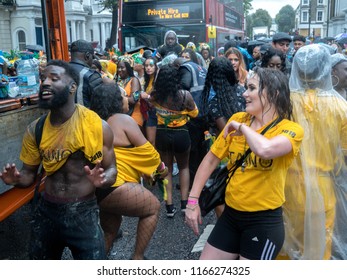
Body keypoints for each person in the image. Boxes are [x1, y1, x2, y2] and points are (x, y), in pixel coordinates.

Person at [0, 60, 117, 259]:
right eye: (43, 79)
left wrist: (104, 179)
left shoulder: (96, 126)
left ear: (72, 87)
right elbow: (29, 175)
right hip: (47, 212)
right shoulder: (35, 129)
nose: (45, 83)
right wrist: (16, 180)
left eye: (54, 79)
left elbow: (112, 169)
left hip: (84, 213)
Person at [185, 67, 304, 260]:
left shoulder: (291, 129)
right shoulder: (237, 119)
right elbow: (211, 159)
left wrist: (242, 129)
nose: (244, 94)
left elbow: (265, 149)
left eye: (251, 88)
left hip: (263, 223)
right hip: (231, 217)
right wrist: (192, 202)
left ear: (272, 94)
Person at [279, 44, 347, 260]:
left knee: (284, 245)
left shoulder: (283, 102)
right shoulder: (340, 107)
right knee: (319, 249)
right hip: (323, 190)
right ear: (327, 70)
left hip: (285, 188)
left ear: (296, 70)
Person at [90, 83, 167, 260]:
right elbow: (149, 153)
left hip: (98, 187)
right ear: (115, 101)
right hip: (116, 184)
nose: (128, 99)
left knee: (109, 231)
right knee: (153, 207)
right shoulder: (122, 119)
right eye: (124, 96)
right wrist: (161, 170)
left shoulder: (93, 122)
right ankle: (137, 259)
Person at [151, 65, 199, 217]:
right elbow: (195, 114)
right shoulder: (185, 95)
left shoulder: (155, 96)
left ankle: (169, 207)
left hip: (162, 134)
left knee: (167, 170)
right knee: (184, 167)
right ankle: (184, 204)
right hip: (181, 134)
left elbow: (150, 106)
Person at [69, 39, 103, 108]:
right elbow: (101, 105)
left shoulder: (60, 72)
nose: (92, 60)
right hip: (85, 118)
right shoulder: (92, 76)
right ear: (87, 56)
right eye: (92, 57)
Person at [115, 57, 143, 128]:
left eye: (122, 67)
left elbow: (134, 99)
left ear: (128, 68)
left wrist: (117, 96)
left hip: (134, 116)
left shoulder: (134, 80)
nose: (119, 70)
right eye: (118, 68)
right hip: (122, 116)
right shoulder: (118, 81)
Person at [140, 56, 159, 146]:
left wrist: (146, 96)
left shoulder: (158, 79)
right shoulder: (147, 80)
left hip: (158, 112)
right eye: (146, 65)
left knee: (153, 141)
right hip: (150, 112)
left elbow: (159, 96)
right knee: (151, 141)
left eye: (151, 65)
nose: (148, 68)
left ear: (155, 66)